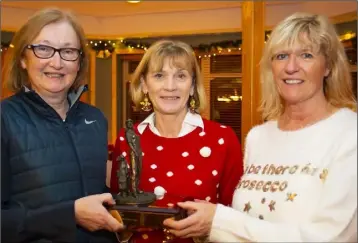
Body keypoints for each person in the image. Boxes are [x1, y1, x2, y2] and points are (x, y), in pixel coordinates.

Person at [163, 12, 357, 242]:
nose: (291, 67)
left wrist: (220, 221)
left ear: (328, 67)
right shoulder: (259, 136)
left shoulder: (349, 133)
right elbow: (249, 222)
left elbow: (333, 237)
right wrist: (205, 224)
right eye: (281, 56)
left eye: (306, 55)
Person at [1, 8, 123, 243]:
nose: (56, 62)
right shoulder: (4, 119)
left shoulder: (95, 119)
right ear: (23, 60)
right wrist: (70, 216)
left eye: (68, 51)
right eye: (43, 49)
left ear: (79, 63)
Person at [110, 40, 244, 243]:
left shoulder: (222, 139)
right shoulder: (127, 138)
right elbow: (119, 212)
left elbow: (236, 217)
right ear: (145, 84)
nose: (170, 86)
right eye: (159, 76)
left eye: (180, 76)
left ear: (192, 86)